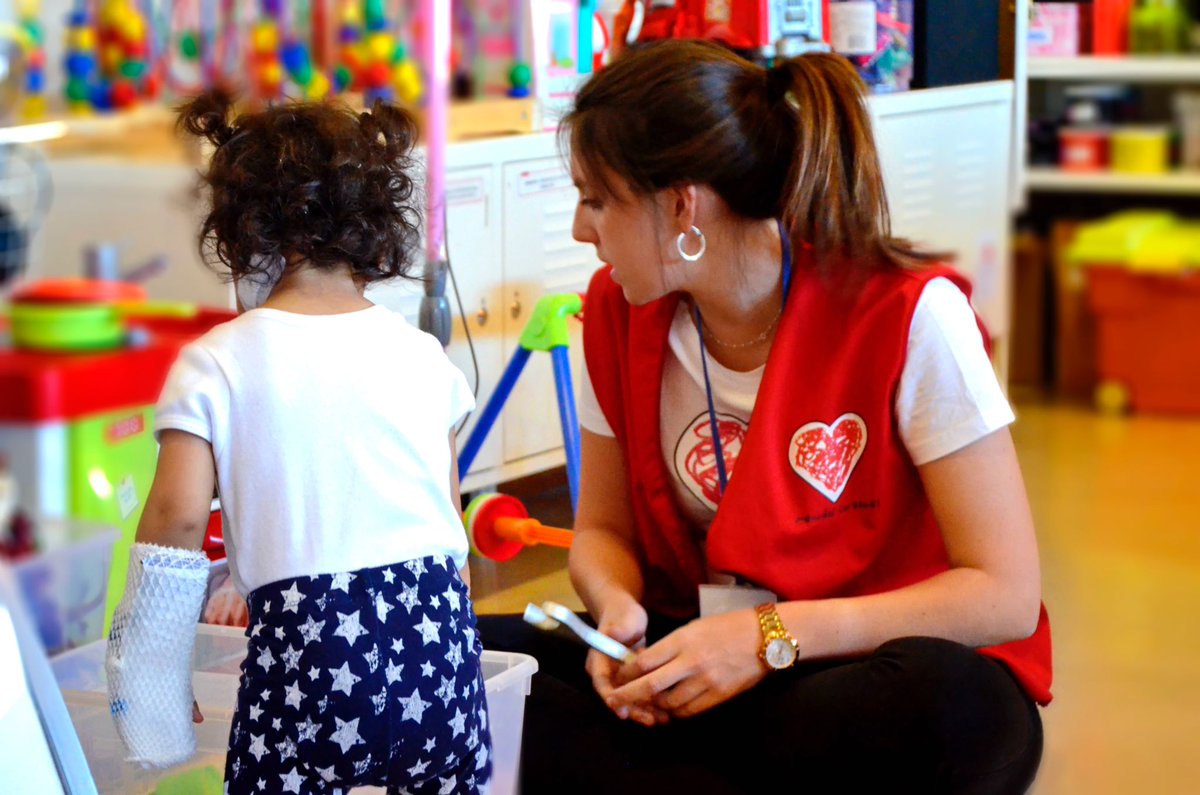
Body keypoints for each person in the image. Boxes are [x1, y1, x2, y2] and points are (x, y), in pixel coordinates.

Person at [478, 39, 1050, 793]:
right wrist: (614, 616)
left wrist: (766, 639)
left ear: (682, 204)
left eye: (596, 199)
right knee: (456, 653)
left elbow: (1004, 594)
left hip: (855, 666)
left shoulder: (909, 312)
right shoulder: (616, 312)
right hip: (706, 657)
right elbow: (603, 534)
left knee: (944, 704)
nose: (584, 229)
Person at [104, 92, 491, 795]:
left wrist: (152, 685)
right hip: (440, 645)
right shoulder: (421, 354)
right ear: (377, 228)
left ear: (243, 233)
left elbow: (176, 528)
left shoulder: (218, 359)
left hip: (311, 658)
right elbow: (447, 516)